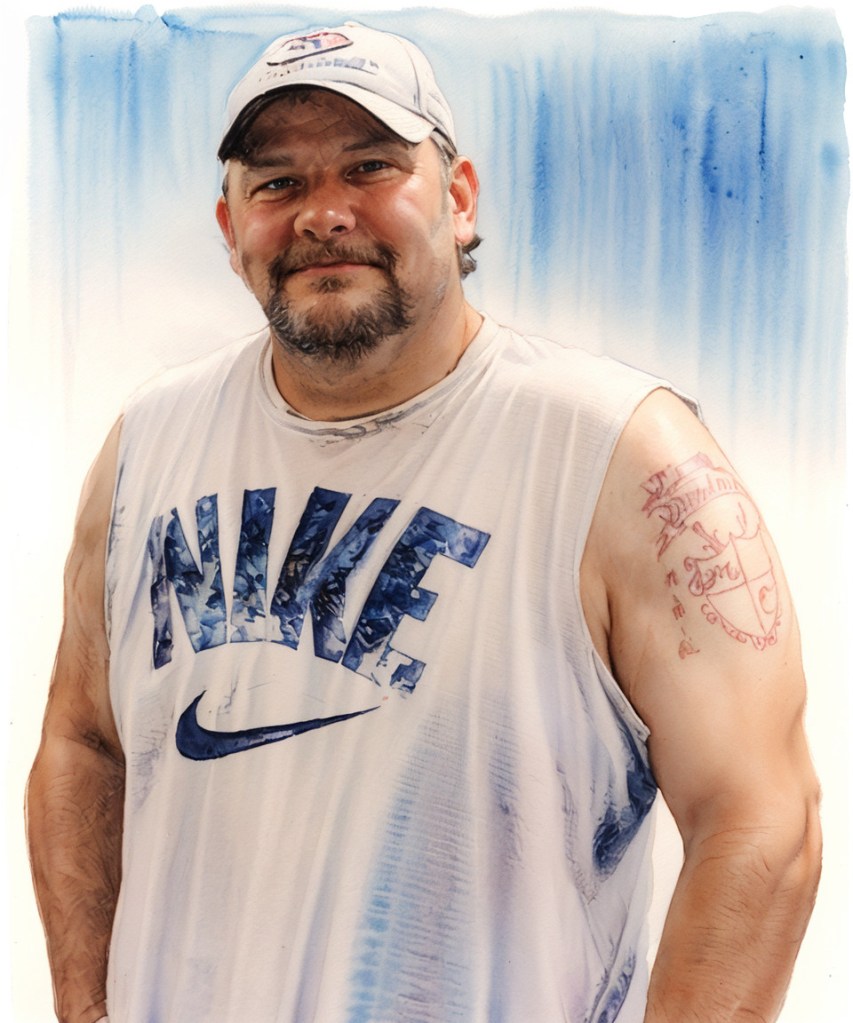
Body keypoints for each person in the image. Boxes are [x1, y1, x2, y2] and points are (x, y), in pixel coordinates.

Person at [26, 21, 821, 1023]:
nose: (323, 214)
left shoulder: (619, 455)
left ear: (456, 200)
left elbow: (760, 821)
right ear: (230, 232)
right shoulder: (147, 445)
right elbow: (80, 746)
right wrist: (84, 1007)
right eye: (276, 184)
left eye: (369, 168)